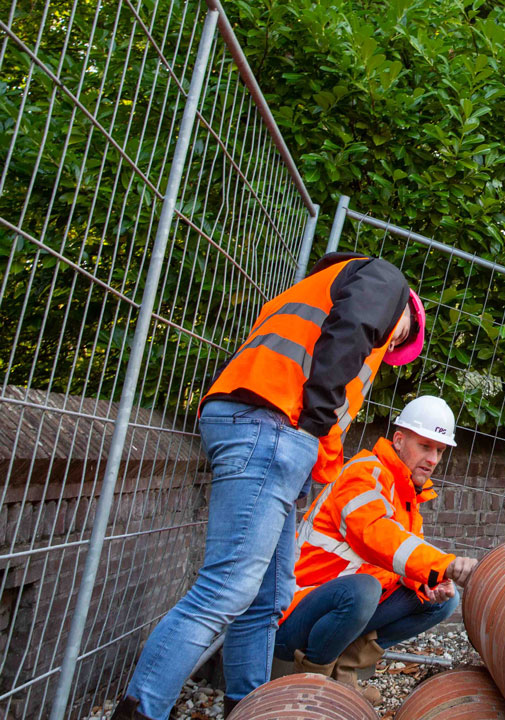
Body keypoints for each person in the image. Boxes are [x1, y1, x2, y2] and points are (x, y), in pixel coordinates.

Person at [113, 253, 427, 719]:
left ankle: (247, 706)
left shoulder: (316, 287)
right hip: (274, 426)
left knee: (268, 596)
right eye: (399, 334)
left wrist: (314, 452)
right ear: (409, 309)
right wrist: (312, 426)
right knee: (227, 588)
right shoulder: (387, 281)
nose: (390, 343)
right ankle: (140, 710)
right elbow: (353, 332)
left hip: (251, 419)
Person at [278, 395, 478, 704]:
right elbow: (377, 536)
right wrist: (444, 565)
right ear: (399, 440)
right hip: (295, 612)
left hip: (337, 610)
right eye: (425, 446)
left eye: (439, 450)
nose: (433, 459)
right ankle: (313, 682)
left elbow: (401, 561)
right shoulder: (364, 475)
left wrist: (428, 583)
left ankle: (345, 672)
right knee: (364, 590)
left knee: (441, 601)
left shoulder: (409, 495)